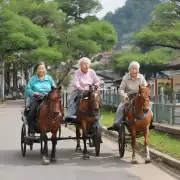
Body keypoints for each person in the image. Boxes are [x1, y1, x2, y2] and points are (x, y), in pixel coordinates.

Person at [107, 61, 155, 131]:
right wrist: (123, 95)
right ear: (129, 70)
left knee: (149, 105)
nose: (134, 71)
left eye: (135, 69)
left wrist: (146, 92)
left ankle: (150, 123)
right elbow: (121, 89)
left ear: (138, 70)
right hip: (129, 96)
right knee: (121, 107)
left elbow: (145, 87)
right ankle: (116, 124)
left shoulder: (141, 77)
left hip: (139, 96)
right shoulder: (125, 78)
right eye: (132, 69)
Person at [25, 62, 56, 131]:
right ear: (36, 70)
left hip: (48, 99)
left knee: (56, 109)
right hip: (37, 99)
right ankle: (32, 127)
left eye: (43, 68)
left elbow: (54, 88)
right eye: (39, 68)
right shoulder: (33, 79)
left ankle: (55, 124)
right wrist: (33, 93)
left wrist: (53, 93)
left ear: (45, 70)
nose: (41, 70)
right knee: (32, 111)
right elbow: (28, 89)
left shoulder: (49, 78)